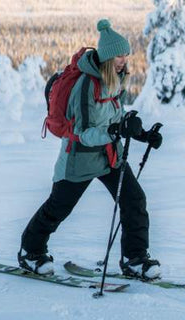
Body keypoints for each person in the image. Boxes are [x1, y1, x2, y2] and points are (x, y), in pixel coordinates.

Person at [18, 19, 163, 280]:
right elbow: (83, 133)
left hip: (109, 155)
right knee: (58, 208)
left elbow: (113, 118)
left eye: (126, 54)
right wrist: (115, 131)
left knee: (134, 200)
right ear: (107, 56)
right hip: (80, 158)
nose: (124, 59)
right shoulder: (87, 85)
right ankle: (31, 251)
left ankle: (135, 259)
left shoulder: (115, 79)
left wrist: (142, 134)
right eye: (120, 54)